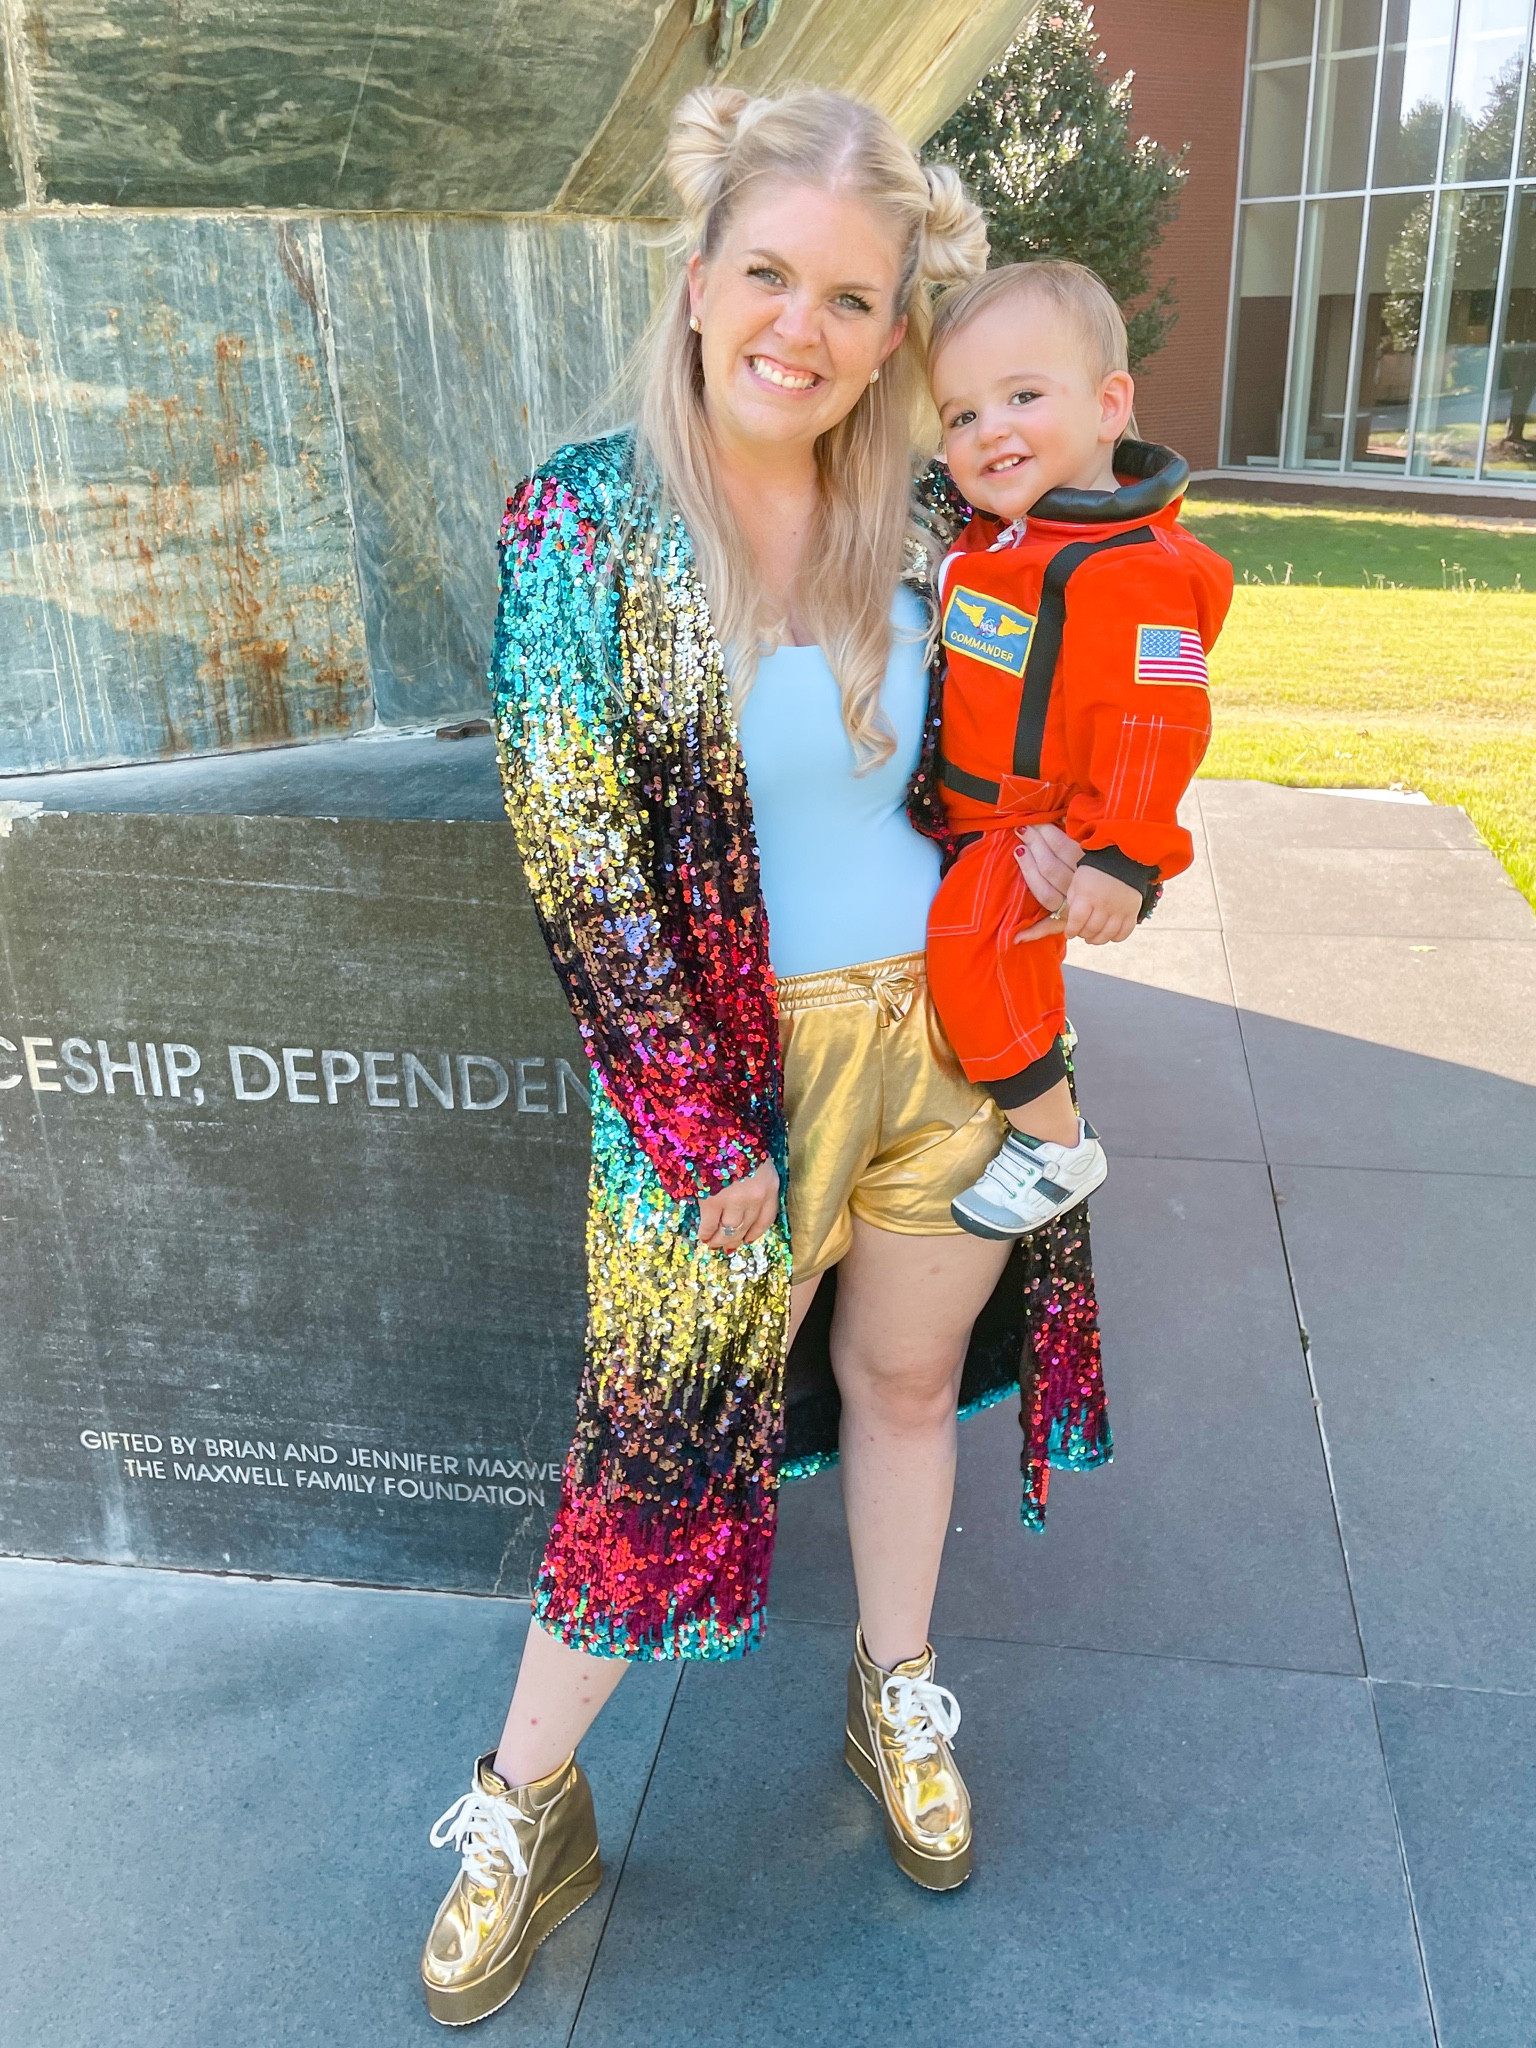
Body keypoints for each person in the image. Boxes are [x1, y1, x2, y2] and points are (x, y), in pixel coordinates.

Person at [418, 93, 1112, 2030]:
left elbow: (1031, 767)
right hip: (724, 1079)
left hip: (954, 1044)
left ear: (899, 327)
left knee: (905, 1380)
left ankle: (895, 1686)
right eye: (769, 274)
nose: (799, 325)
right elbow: (576, 843)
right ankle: (522, 1799)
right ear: (702, 278)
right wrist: (689, 1117)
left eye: (851, 295)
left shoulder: (943, 521)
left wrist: (1083, 867)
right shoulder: (589, 514)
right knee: (647, 1441)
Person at [922, 261, 1233, 1241]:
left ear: (1109, 406)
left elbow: (1158, 722)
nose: (989, 431)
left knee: (968, 951)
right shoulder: (1007, 539)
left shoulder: (1125, 571)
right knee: (1011, 972)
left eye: (1022, 396)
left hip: (1034, 825)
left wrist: (1124, 856)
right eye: (960, 414)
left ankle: (1053, 1141)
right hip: (982, 811)